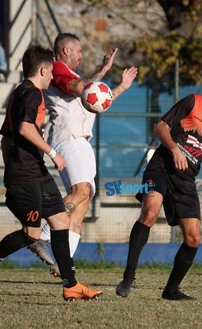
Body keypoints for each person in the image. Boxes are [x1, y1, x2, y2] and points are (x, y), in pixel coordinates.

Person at [0, 44, 103, 301]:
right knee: (30, 234)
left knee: (61, 221)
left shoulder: (19, 92)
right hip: (26, 176)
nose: (53, 77)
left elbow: (4, 138)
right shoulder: (32, 95)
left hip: (35, 171)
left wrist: (16, 163)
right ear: (42, 70)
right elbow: (24, 129)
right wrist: (53, 153)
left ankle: (70, 284)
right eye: (51, 72)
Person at [115, 62, 202, 300]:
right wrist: (175, 149)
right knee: (150, 213)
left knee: (194, 237)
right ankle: (128, 277)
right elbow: (160, 127)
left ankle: (171, 290)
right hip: (162, 166)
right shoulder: (193, 101)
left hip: (186, 179)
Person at [27, 33, 138, 276]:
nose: (81, 55)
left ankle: (63, 264)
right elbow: (84, 89)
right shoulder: (57, 69)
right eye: (78, 51)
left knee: (83, 203)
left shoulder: (75, 78)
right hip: (68, 139)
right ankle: (42, 233)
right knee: (81, 192)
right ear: (66, 51)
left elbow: (96, 101)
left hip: (82, 142)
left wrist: (118, 84)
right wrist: (100, 77)